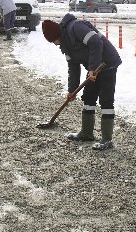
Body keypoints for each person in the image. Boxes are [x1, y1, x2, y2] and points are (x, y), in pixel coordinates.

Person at [42, 14, 122, 150]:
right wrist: (71, 90)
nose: (55, 44)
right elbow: (73, 67)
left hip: (107, 62)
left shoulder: (76, 27)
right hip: (94, 67)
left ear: (57, 34)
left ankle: (107, 139)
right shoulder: (65, 44)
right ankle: (86, 133)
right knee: (88, 96)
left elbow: (96, 42)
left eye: (53, 40)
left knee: (106, 100)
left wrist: (92, 68)